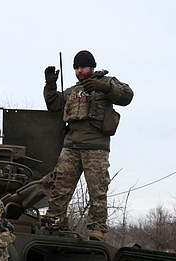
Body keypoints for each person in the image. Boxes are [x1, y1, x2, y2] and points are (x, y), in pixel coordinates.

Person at [43, 50, 133, 240]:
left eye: (82, 67)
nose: (79, 71)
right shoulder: (72, 91)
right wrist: (50, 85)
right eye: (76, 68)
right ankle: (54, 223)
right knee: (60, 187)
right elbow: (54, 104)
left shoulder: (106, 83)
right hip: (71, 146)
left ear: (92, 67)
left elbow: (127, 96)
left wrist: (105, 87)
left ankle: (96, 229)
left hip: (96, 147)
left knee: (97, 190)